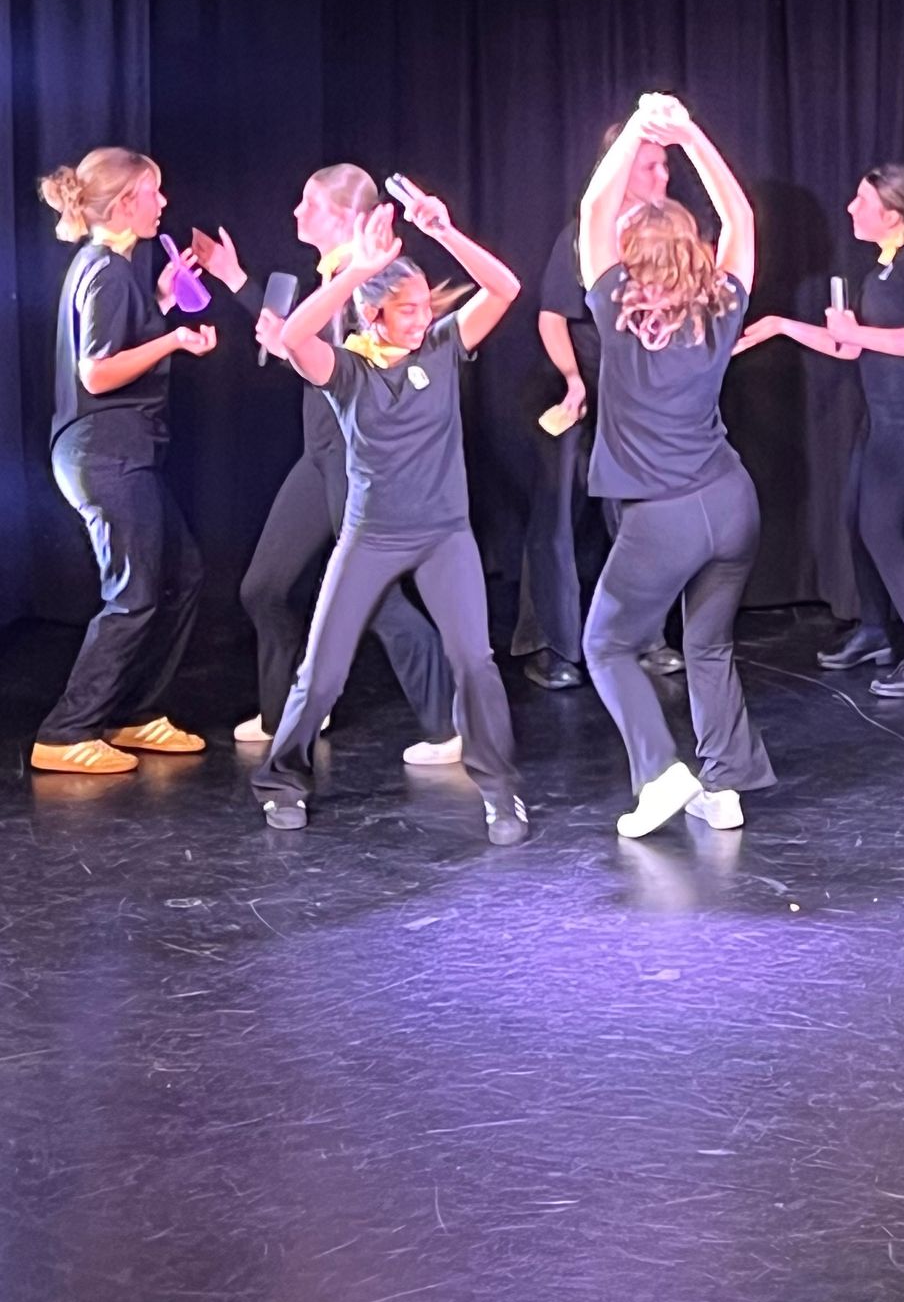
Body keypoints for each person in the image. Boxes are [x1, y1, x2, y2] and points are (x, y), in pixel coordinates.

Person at [251, 187, 529, 842]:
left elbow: (506, 288)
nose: (422, 317)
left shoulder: (443, 346)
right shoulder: (347, 371)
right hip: (371, 537)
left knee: (475, 662)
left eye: (425, 305)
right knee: (322, 674)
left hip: (444, 536)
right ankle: (283, 782)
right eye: (407, 309)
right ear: (373, 313)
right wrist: (356, 269)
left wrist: (445, 230)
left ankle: (501, 794)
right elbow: (293, 337)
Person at [578, 95, 776, 839]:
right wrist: (690, 133)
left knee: (606, 644)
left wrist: (638, 125)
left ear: (631, 255)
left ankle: (660, 772)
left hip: (665, 516)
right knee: (708, 645)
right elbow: (740, 216)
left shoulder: (616, 308)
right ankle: (724, 786)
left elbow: (594, 207)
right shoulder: (720, 303)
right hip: (731, 502)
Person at [224, 165, 458, 763]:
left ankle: (450, 724)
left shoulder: (371, 284)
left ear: (347, 218)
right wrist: (242, 288)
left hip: (355, 460)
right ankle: (286, 711)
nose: (297, 212)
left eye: (310, 204)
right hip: (320, 455)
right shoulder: (331, 279)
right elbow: (308, 354)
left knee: (375, 601)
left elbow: (380, 369)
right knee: (264, 587)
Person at [29, 150, 216, 773]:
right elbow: (97, 373)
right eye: (153, 192)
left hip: (119, 451)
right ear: (126, 202)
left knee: (181, 575)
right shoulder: (107, 271)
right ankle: (66, 732)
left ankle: (134, 713)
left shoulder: (116, 268)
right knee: (133, 593)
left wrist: (160, 299)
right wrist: (175, 339)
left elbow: (116, 345)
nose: (163, 203)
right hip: (104, 454)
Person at [740, 162, 904, 698]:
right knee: (857, 521)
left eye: (863, 201)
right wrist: (779, 326)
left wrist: (857, 332)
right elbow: (848, 346)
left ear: (892, 213)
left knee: (881, 530)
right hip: (880, 413)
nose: (850, 208)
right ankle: (876, 632)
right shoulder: (883, 265)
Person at [514, 124, 681, 691]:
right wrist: (572, 379)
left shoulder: (669, 236)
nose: (663, 175)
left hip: (634, 403)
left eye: (665, 165)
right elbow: (552, 317)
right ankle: (556, 647)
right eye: (650, 166)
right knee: (559, 516)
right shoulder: (584, 236)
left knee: (638, 517)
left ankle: (646, 637)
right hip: (576, 392)